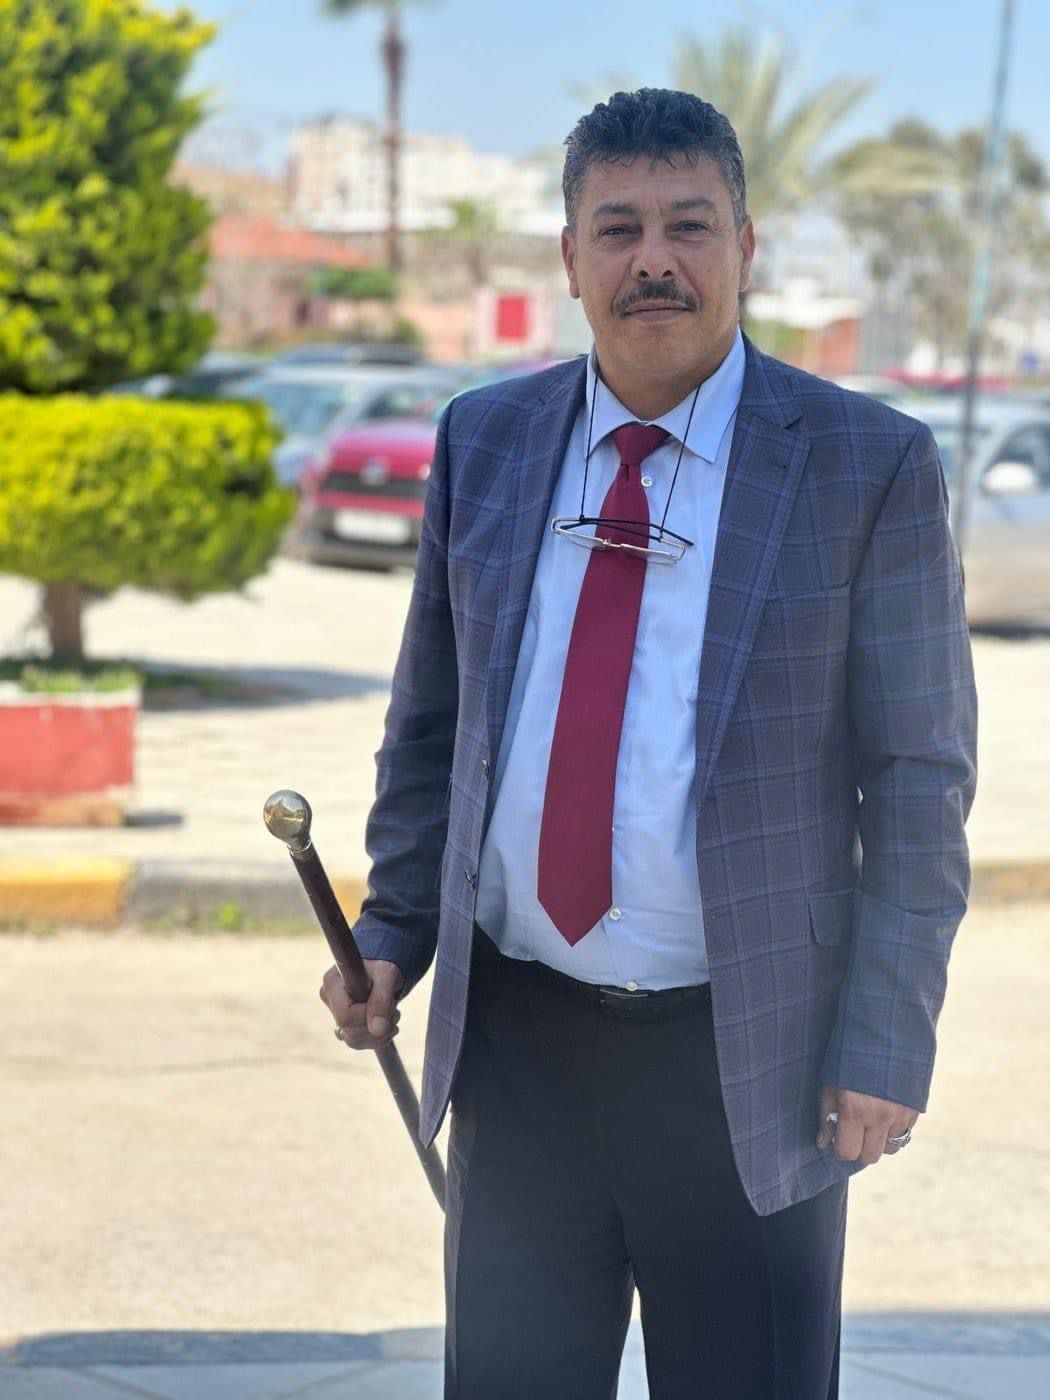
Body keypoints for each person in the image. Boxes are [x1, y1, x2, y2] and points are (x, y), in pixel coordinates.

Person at [320, 88, 977, 1399]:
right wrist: (390, 933)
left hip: (753, 1059)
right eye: (617, 229)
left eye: (689, 225)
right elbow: (433, 723)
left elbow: (917, 780)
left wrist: (884, 1042)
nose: (653, 260)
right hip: (519, 1046)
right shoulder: (485, 440)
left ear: (746, 246)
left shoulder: (865, 464)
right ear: (569, 258)